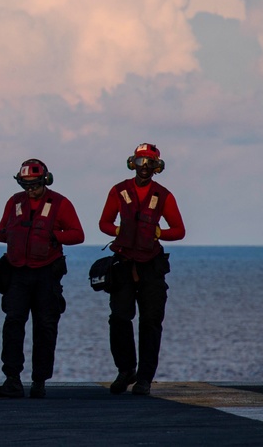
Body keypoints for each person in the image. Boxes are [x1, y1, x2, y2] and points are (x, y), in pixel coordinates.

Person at [98, 143, 186, 396]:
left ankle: (145, 378)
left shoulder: (163, 195)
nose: (144, 168)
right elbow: (104, 222)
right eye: (140, 162)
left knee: (150, 322)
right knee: (119, 318)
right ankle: (126, 370)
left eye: (149, 163)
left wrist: (159, 232)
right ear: (132, 163)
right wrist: (119, 232)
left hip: (151, 267)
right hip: (124, 264)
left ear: (157, 167)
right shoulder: (118, 191)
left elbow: (179, 230)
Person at [0, 159, 84, 399]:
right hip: (17, 274)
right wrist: (15, 236)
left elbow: (78, 234)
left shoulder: (60, 203)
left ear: (45, 181)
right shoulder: (14, 202)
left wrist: (52, 235)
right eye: (26, 185)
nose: (30, 189)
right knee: (13, 324)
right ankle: (12, 379)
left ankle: (39, 382)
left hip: (46, 275)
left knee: (45, 326)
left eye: (34, 185)